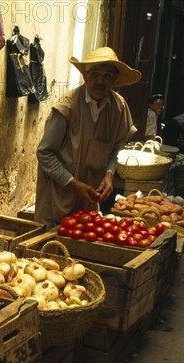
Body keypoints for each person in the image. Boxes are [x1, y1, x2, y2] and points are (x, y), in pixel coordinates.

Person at [34, 47, 141, 228]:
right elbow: (44, 153)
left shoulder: (118, 108)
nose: (100, 81)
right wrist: (73, 183)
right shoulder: (66, 108)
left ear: (114, 79)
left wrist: (109, 173)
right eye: (95, 74)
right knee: (48, 247)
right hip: (57, 198)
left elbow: (116, 148)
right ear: (85, 76)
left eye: (107, 76)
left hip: (89, 199)